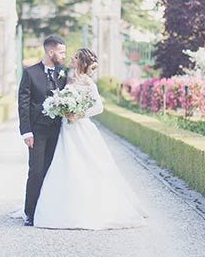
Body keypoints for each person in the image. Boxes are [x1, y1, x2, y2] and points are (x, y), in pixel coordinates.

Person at [32, 48, 146, 230]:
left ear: (82, 62)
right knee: (65, 164)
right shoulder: (68, 78)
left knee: (88, 164)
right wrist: (60, 107)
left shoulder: (88, 83)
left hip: (81, 129)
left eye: (75, 57)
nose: (71, 58)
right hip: (66, 131)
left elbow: (98, 107)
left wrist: (79, 114)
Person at [17, 35, 68, 227]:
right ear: (50, 52)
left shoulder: (64, 72)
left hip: (58, 131)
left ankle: (48, 210)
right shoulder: (30, 73)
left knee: (52, 170)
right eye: (61, 52)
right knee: (36, 171)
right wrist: (26, 132)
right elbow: (23, 104)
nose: (64, 55)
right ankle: (30, 212)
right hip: (37, 131)